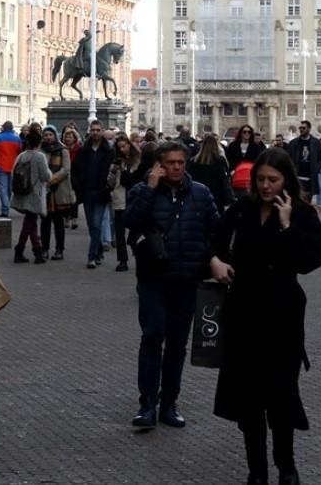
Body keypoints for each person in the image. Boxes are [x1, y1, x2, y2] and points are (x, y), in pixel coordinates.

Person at [210, 147, 321, 485]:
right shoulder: (241, 210)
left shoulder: (302, 213)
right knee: (248, 400)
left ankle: (286, 465)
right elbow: (214, 241)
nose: (265, 186)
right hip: (243, 313)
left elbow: (310, 261)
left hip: (282, 316)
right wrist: (214, 261)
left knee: (280, 395)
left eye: (272, 180)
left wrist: (288, 226)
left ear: (286, 180)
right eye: (260, 179)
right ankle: (256, 470)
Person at [124, 141, 220, 430]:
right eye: (170, 163)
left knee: (177, 343)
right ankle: (147, 403)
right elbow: (130, 221)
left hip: (187, 278)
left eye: (181, 162)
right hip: (153, 277)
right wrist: (151, 189)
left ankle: (169, 403)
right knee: (153, 335)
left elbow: (215, 231)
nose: (176, 167)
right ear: (159, 165)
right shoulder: (142, 191)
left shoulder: (201, 194)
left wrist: (213, 259)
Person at [73, 120, 113, 269]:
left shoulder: (108, 150)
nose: (95, 132)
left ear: (102, 131)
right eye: (93, 130)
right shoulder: (84, 150)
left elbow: (113, 170)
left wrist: (108, 186)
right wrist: (78, 186)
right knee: (92, 226)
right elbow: (76, 169)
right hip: (87, 192)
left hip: (101, 192)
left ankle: (91, 256)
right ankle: (99, 250)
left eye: (98, 130)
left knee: (96, 224)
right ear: (90, 131)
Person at [10, 129, 51, 264]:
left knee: (31, 222)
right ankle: (19, 249)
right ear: (39, 143)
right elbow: (45, 176)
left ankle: (37, 251)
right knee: (29, 223)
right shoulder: (39, 157)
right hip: (33, 193)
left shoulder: (21, 156)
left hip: (21, 192)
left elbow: (13, 173)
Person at [107, 133, 147, 272]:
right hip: (120, 199)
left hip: (135, 200)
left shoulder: (138, 162)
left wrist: (126, 172)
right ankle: (122, 260)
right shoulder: (116, 162)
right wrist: (113, 171)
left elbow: (138, 181)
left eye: (124, 146)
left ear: (129, 145)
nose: (122, 149)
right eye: (119, 147)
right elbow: (111, 183)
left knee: (135, 234)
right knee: (119, 232)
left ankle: (141, 255)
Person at [40, 126, 73, 260]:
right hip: (44, 190)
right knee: (45, 221)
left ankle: (59, 249)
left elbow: (66, 169)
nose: (48, 137)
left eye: (50, 135)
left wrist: (51, 179)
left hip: (58, 189)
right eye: (46, 135)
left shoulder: (63, 150)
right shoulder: (40, 150)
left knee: (58, 221)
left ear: (55, 135)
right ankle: (44, 248)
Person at [187, 133, 232, 213]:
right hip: (216, 196)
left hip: (197, 196)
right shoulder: (220, 161)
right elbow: (224, 180)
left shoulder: (193, 161)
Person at [0, 121, 21, 219]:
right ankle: (6, 206)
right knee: (9, 189)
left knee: (2, 189)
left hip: (1, 166)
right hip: (13, 167)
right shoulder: (17, 138)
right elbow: (20, 151)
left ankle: (5, 209)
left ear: (3, 128)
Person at [285, 121, 321, 200]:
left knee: (307, 202)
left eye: (303, 128)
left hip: (310, 178)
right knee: (296, 200)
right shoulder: (293, 143)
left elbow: (320, 159)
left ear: (309, 129)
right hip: (297, 177)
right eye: (300, 128)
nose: (301, 129)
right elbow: (288, 159)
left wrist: (316, 169)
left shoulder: (316, 142)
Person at [62, 126, 82, 229]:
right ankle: (66, 217)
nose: (68, 139)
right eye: (66, 137)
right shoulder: (62, 148)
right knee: (66, 198)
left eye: (70, 137)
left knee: (74, 198)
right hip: (65, 176)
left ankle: (74, 218)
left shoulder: (79, 149)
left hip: (75, 177)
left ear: (74, 138)